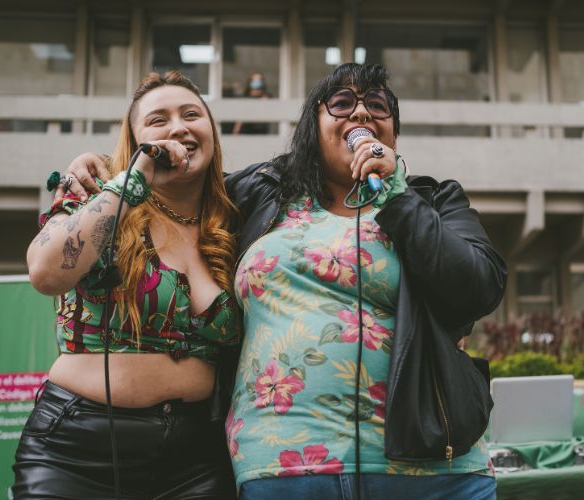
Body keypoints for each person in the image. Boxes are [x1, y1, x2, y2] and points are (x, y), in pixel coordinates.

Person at [58, 63, 507, 499]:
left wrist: (397, 196)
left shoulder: (432, 199)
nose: (362, 114)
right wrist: (106, 163)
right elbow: (182, 181)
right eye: (342, 103)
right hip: (282, 465)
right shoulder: (261, 192)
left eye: (377, 105)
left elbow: (478, 288)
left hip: (430, 468)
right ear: (313, 126)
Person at [13, 71, 241, 499]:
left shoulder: (234, 220)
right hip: (78, 449)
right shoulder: (96, 194)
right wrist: (129, 183)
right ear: (135, 139)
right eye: (159, 119)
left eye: (192, 114)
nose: (178, 126)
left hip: (196, 459)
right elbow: (45, 273)